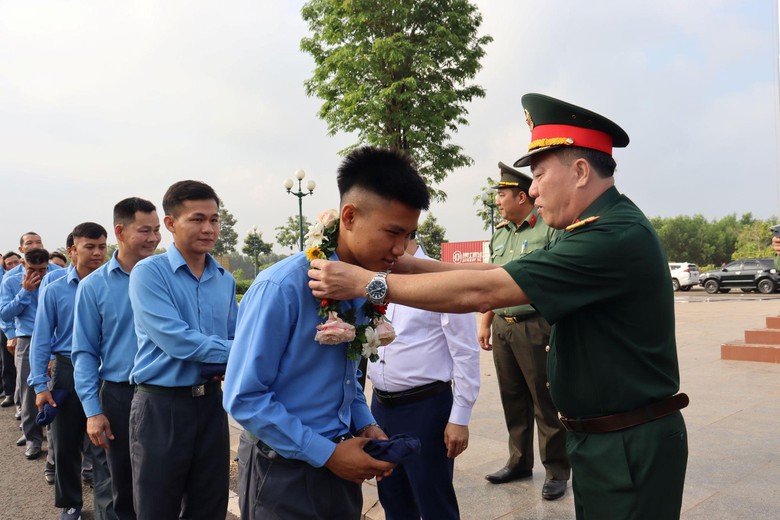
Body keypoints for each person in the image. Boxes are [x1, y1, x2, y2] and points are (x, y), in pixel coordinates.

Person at [309, 94, 689, 520]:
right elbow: (496, 270)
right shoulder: (591, 231)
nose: (533, 189)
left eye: (539, 175)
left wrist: (367, 283)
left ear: (581, 171)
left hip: (626, 443)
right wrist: (400, 263)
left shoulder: (610, 238)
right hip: (606, 439)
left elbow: (484, 291)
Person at [224, 146, 428, 519]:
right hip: (284, 468)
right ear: (349, 216)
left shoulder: (359, 286)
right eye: (393, 232)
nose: (400, 249)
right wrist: (328, 454)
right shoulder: (282, 288)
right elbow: (244, 397)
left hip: (343, 458)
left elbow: (344, 378)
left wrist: (365, 424)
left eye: (409, 234)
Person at [128, 180, 237, 520]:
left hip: (210, 405)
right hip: (162, 407)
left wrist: (236, 352)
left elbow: (235, 336)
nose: (209, 229)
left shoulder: (224, 279)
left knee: (210, 505)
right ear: (171, 223)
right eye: (197, 219)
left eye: (214, 220)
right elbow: (177, 340)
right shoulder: (149, 273)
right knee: (157, 508)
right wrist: (242, 352)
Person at [367, 237, 479, 519]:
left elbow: (465, 352)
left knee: (433, 500)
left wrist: (460, 417)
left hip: (426, 409)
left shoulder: (440, 278)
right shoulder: (375, 279)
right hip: (381, 407)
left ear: (403, 233)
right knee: (393, 499)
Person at [479, 162, 570, 499]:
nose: (497, 201)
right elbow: (492, 280)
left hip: (535, 326)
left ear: (521, 196)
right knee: (513, 398)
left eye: (502, 195)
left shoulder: (548, 228)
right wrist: (486, 321)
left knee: (544, 401)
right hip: (503, 326)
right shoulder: (500, 233)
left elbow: (557, 278)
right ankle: (519, 462)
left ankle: (557, 470)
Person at [73, 197, 161, 520]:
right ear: (121, 232)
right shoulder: (94, 287)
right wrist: (93, 411)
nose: (153, 238)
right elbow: (84, 351)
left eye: (157, 230)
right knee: (123, 486)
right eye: (144, 231)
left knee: (167, 484)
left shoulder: (167, 277)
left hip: (166, 395)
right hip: (121, 395)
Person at [30, 222, 113, 520]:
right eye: (90, 247)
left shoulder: (112, 285)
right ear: (72, 250)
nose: (97, 253)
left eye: (102, 246)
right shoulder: (54, 290)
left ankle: (107, 508)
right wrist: (40, 385)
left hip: (106, 373)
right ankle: (70, 502)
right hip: (67, 370)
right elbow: (41, 339)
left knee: (106, 444)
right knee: (65, 442)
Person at [0, 247, 59, 457]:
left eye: (42, 269)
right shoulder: (10, 281)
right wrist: (25, 292)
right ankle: (33, 438)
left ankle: (55, 447)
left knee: (54, 391)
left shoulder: (58, 275)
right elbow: (5, 315)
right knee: (28, 391)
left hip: (55, 338)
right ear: (23, 264)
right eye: (32, 269)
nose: (38, 274)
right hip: (28, 338)